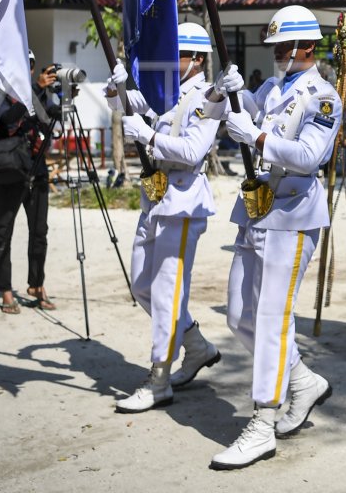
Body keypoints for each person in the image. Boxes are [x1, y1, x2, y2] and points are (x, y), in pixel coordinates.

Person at [203, 4, 340, 470]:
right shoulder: (272, 87)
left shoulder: (324, 97)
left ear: (308, 47)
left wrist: (257, 138)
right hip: (256, 210)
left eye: (285, 47)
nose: (279, 54)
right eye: (276, 47)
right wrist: (223, 94)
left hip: (293, 216)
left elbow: (308, 156)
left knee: (272, 319)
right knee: (240, 315)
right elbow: (220, 116)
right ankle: (303, 381)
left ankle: (262, 421)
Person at [108, 23, 224, 413]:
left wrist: (148, 137)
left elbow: (193, 150)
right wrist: (121, 89)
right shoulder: (168, 92)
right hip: (155, 197)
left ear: (196, 59)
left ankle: (159, 377)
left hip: (184, 200)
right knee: (142, 284)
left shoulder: (209, 97)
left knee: (167, 291)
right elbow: (133, 107)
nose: (172, 64)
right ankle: (195, 345)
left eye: (179, 57)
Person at [0, 51, 61, 314]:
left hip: (36, 170)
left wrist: (66, 94)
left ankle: (36, 284)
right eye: (21, 65)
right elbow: (6, 121)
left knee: (40, 231)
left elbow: (53, 116)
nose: (26, 70)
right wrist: (36, 89)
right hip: (8, 173)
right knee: (4, 232)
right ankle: (5, 290)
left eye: (30, 66)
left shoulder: (36, 93)